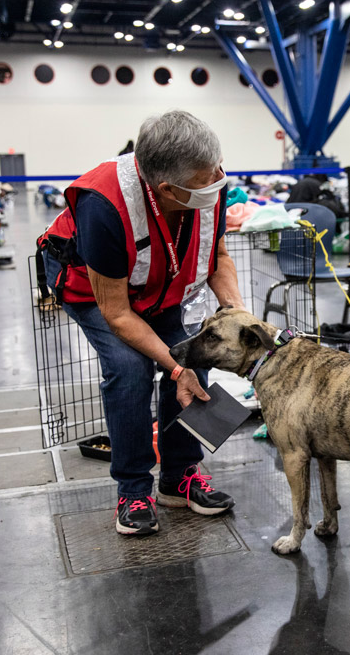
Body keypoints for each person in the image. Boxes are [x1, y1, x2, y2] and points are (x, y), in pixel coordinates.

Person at [39, 110, 245, 536]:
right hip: (97, 293)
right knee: (131, 369)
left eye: (218, 169)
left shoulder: (208, 185)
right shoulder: (104, 207)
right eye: (208, 179)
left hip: (161, 284)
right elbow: (116, 313)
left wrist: (236, 312)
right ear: (168, 189)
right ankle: (133, 489)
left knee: (195, 356)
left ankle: (179, 477)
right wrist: (173, 367)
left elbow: (218, 257)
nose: (219, 180)